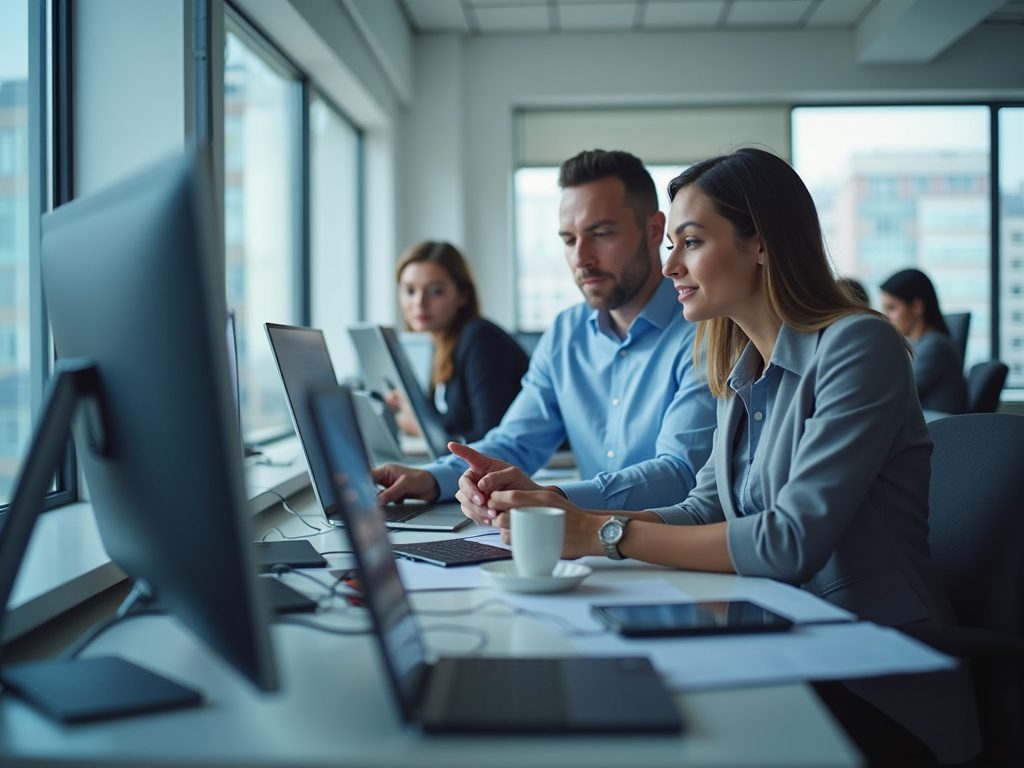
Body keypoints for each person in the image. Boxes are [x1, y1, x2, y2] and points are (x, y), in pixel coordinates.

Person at [463, 148, 978, 765]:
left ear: (760, 243)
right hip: (779, 634)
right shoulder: (741, 364)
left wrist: (604, 533)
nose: (671, 263)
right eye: (671, 244)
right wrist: (568, 520)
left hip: (867, 667)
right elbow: (705, 505)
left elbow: (788, 541)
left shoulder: (858, 347)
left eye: (691, 241)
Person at [373, 149, 716, 510]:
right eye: (569, 240)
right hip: (584, 547)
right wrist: (430, 479)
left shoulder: (704, 331)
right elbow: (515, 443)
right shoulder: (566, 333)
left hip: (667, 549)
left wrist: (554, 500)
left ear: (653, 230)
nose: (581, 257)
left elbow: (681, 473)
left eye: (600, 234)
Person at [388, 241, 529, 443]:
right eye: (410, 291)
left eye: (436, 291)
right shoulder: (437, 347)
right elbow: (454, 423)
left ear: (462, 295)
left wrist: (423, 428)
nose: (419, 302)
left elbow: (490, 437)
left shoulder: (481, 340)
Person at [880, 268, 967, 415]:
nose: (886, 316)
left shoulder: (934, 347)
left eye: (892, 308)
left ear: (917, 306)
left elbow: (893, 395)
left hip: (939, 430)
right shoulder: (920, 344)